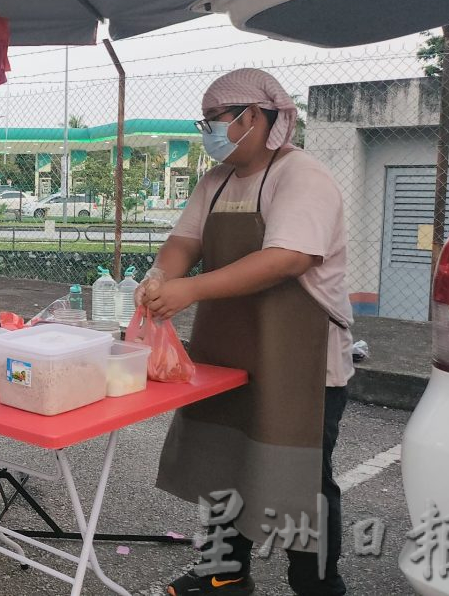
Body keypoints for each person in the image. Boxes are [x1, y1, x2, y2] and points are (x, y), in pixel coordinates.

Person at [138, 68, 354, 596]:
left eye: (214, 120)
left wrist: (192, 290)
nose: (208, 131)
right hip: (233, 352)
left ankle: (318, 585)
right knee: (223, 464)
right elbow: (184, 240)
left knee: (302, 480)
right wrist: (163, 273)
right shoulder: (216, 181)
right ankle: (222, 576)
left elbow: (286, 259)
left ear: (252, 117)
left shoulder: (301, 175)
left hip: (301, 363)